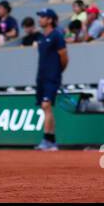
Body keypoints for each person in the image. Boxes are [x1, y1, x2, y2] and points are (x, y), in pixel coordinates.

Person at [30, 9, 68, 151]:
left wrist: (57, 72)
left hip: (52, 77)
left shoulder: (57, 36)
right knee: (44, 107)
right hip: (41, 77)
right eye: (40, 17)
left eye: (43, 17)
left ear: (50, 20)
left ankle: (46, 139)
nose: (40, 19)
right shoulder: (40, 37)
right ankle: (51, 140)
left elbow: (64, 57)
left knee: (46, 106)